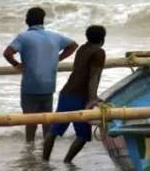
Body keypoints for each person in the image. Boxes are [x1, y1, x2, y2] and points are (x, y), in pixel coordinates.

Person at [3, 7, 78, 142]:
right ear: (43, 20)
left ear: (27, 20)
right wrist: (58, 58)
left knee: (30, 121)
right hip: (48, 85)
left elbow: (7, 53)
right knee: (47, 120)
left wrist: (16, 65)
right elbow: (73, 45)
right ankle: (46, 150)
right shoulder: (55, 36)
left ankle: (30, 148)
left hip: (30, 85)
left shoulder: (23, 37)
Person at [43, 25, 106, 163]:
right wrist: (92, 98)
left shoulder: (82, 49)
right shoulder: (99, 52)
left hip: (66, 93)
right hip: (80, 96)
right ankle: (67, 161)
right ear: (102, 39)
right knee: (83, 135)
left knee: (54, 131)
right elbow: (93, 77)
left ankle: (44, 161)